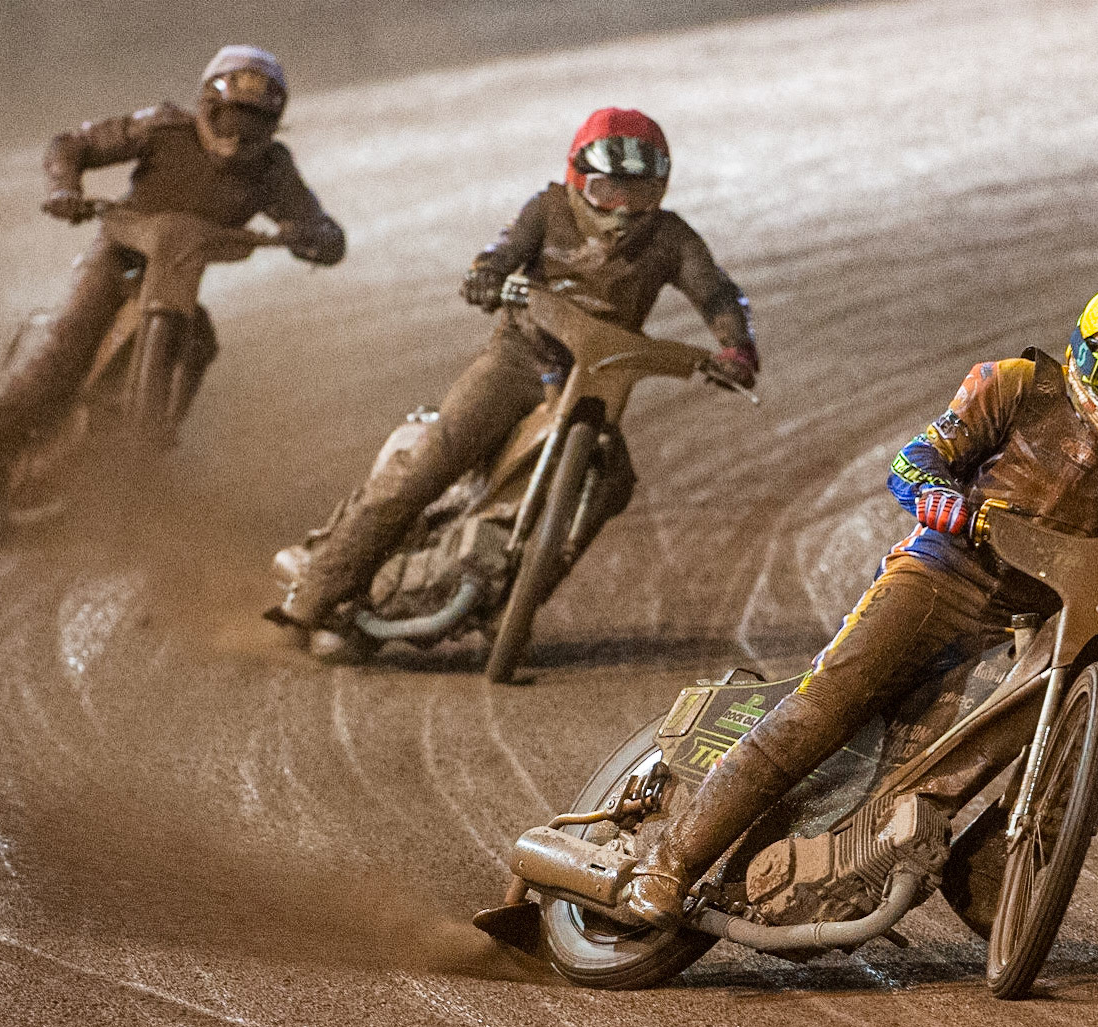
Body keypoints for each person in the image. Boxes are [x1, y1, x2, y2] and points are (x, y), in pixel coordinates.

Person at [620, 281, 1098, 929]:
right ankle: (669, 863)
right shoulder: (1015, 385)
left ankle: (990, 876)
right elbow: (916, 458)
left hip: (1041, 626)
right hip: (941, 575)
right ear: (1087, 363)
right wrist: (938, 497)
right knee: (827, 703)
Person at [272, 107, 758, 656]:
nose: (622, 210)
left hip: (598, 382)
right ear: (578, 180)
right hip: (518, 360)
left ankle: (511, 607)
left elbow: (717, 293)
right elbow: (499, 254)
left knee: (614, 481)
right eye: (606, 191)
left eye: (639, 194)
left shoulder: (671, 238)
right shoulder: (546, 210)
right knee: (431, 461)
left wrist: (736, 348)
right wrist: (486, 277)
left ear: (660, 191)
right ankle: (313, 595)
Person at [0, 45, 346, 536]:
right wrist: (64, 189)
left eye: (253, 123)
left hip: (177, 283)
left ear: (272, 125)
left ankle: (147, 458)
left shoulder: (273, 168)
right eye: (231, 117)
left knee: (201, 343)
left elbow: (322, 227)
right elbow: (71, 144)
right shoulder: (163, 127)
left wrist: (315, 237)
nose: (238, 133)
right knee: (59, 360)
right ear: (206, 104)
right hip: (116, 260)